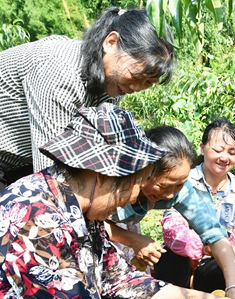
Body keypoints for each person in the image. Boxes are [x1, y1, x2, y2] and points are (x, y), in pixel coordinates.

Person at [0, 104, 235, 299]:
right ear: (102, 176)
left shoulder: (78, 205)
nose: (134, 196)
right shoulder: (37, 217)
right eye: (131, 185)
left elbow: (122, 278)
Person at [0, 7, 175, 191]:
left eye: (148, 82)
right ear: (111, 42)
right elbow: (51, 170)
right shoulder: (60, 72)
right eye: (135, 75)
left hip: (21, 162)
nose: (136, 88)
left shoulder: (112, 82)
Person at [105, 126, 235, 299]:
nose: (170, 195)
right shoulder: (112, 183)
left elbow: (213, 232)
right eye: (164, 186)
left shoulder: (180, 189)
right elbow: (85, 223)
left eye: (178, 185)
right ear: (145, 170)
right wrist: (132, 239)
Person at [155, 118, 235, 290]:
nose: (224, 157)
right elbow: (173, 228)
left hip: (216, 263)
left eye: (231, 152)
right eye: (218, 150)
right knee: (172, 259)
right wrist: (207, 249)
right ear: (202, 148)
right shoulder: (184, 179)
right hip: (183, 259)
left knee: (224, 267)